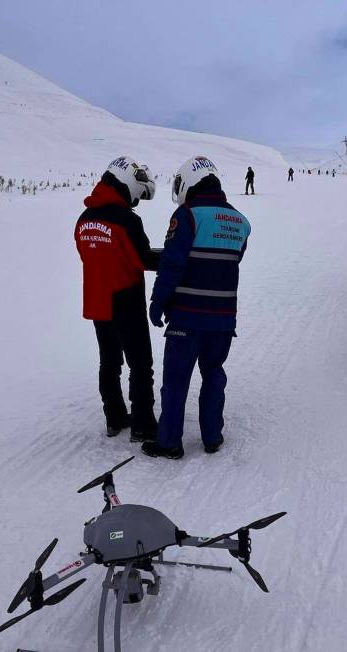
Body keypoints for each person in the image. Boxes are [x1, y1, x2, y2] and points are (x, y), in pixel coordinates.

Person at [142, 156, 251, 460]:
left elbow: (172, 265)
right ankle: (212, 436)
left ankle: (169, 443)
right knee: (214, 374)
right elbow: (233, 261)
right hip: (224, 320)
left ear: (189, 180)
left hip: (187, 318)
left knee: (176, 381)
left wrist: (157, 301)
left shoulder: (187, 216)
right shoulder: (241, 222)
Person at [74, 156, 159, 442]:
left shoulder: (83, 220)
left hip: (98, 300)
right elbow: (144, 258)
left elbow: (87, 256)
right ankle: (143, 425)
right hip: (126, 298)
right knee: (140, 364)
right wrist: (171, 257)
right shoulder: (127, 220)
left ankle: (114, 418)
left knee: (109, 363)